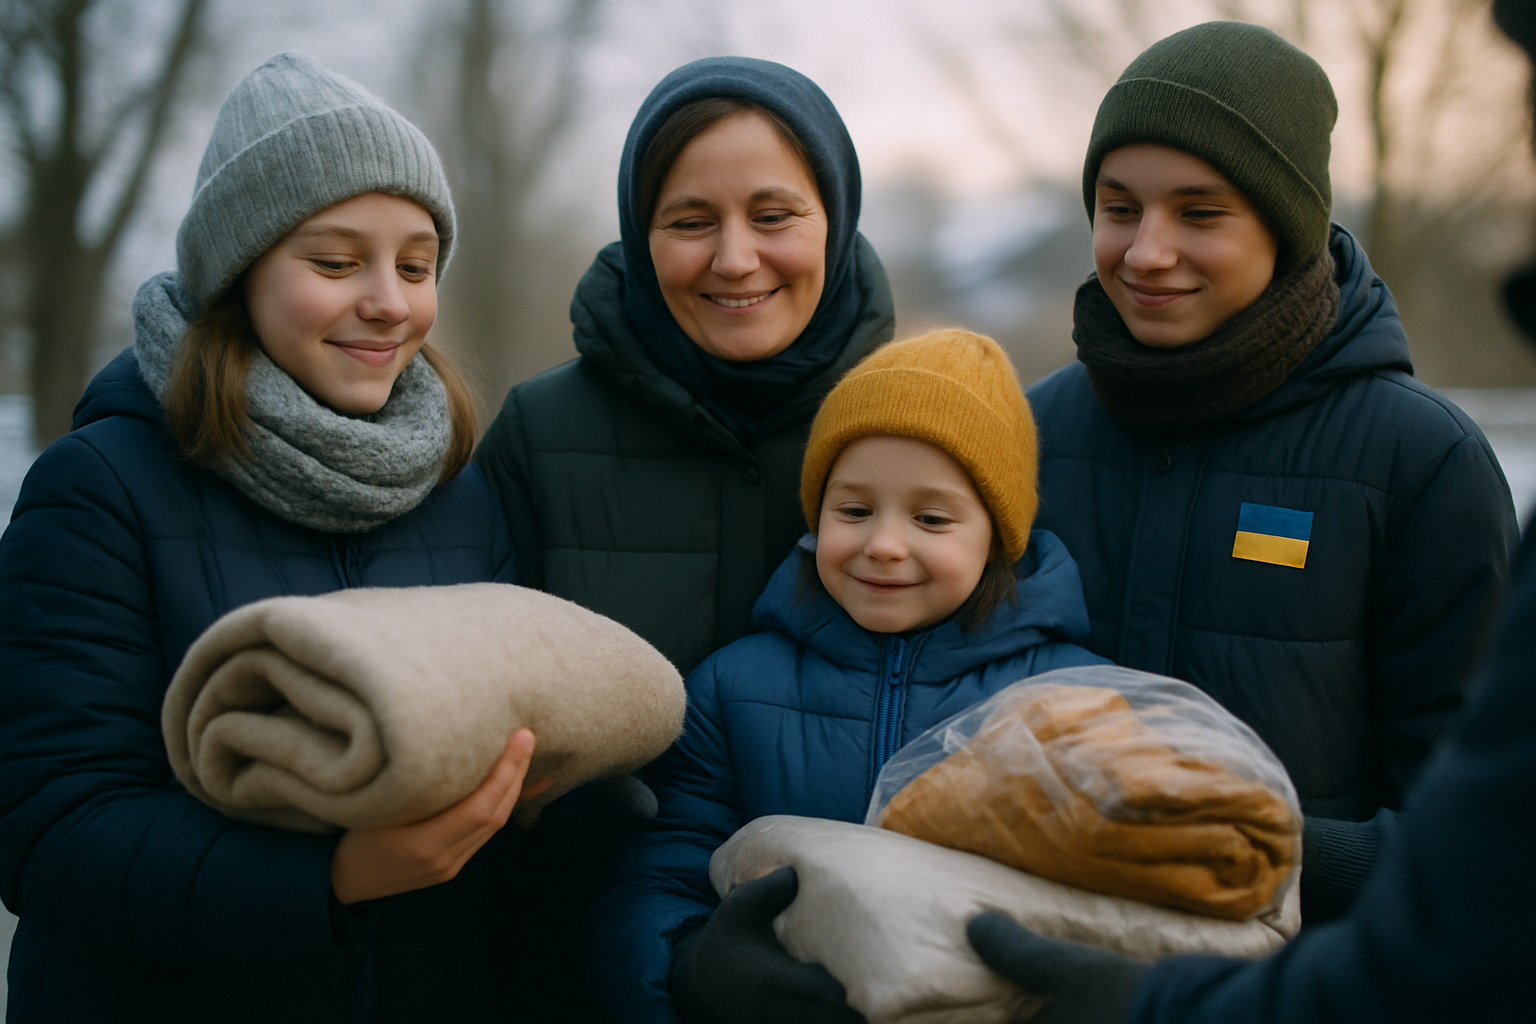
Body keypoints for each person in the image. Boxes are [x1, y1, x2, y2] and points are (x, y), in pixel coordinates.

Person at [0, 54, 539, 1022]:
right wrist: (332, 875)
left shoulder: (462, 494)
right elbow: (47, 831)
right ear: (237, 274)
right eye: (335, 262)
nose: (388, 300)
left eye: (416, 266)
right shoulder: (98, 491)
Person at [1024, 20, 1520, 924]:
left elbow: (1480, 836)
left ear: (1287, 226)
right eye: (1119, 206)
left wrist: (1267, 857)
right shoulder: (1025, 434)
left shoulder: (1424, 463)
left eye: (1200, 212)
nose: (1145, 253)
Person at [588, 328, 1113, 1024]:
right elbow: (661, 871)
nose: (884, 545)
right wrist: (689, 963)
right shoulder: (729, 688)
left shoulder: (1076, 700)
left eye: (931, 517)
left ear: (997, 536)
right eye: (855, 510)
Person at [473, 56, 895, 679]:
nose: (734, 259)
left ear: (836, 216)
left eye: (773, 216)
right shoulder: (540, 436)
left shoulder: (917, 426)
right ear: (641, 235)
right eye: (691, 223)